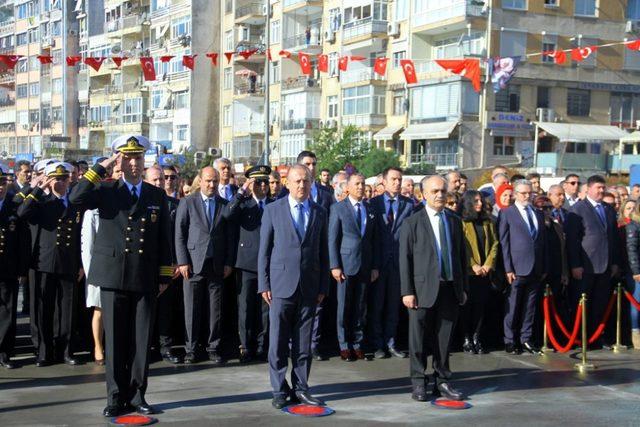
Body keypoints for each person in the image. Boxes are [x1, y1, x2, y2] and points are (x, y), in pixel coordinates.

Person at [69, 135, 174, 417]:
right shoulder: (107, 190)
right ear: (120, 161)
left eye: (138, 158)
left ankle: (138, 394)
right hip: (114, 276)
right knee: (115, 341)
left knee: (141, 341)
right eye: (127, 158)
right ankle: (115, 396)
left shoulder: (156, 195)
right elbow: (75, 197)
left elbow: (165, 238)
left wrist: (164, 275)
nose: (134, 163)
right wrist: (100, 168)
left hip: (144, 276)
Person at [258, 165, 329, 409]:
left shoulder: (320, 212)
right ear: (287, 183)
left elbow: (323, 252)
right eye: (297, 181)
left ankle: (301, 387)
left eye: (306, 181)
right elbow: (264, 251)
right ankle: (278, 389)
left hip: (309, 287)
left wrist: (323, 286)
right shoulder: (272, 210)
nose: (302, 186)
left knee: (304, 343)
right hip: (280, 286)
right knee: (277, 342)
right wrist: (263, 283)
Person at [400, 175, 468, 402]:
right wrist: (407, 291)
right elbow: (405, 259)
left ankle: (443, 381)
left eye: (443, 191)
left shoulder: (454, 221)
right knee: (418, 339)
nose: (440, 195)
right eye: (435, 191)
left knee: (444, 339)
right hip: (421, 290)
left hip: (449, 288)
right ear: (423, 194)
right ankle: (419, 382)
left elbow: (460, 257)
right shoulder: (412, 222)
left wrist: (462, 287)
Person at [18, 161, 83, 367]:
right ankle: (44, 351)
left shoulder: (75, 203)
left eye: (63, 179)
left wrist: (81, 264)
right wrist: (39, 188)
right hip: (43, 262)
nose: (60, 183)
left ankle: (65, 350)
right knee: (43, 308)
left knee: (67, 309)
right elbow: (22, 212)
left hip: (69, 263)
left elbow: (82, 236)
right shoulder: (41, 202)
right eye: (56, 179)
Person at [175, 166, 234, 365]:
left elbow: (229, 236)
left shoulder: (223, 204)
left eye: (215, 181)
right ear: (200, 181)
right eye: (208, 181)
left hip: (216, 265)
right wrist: (182, 261)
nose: (211, 185)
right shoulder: (187, 203)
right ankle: (191, 348)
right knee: (191, 308)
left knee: (215, 309)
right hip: (193, 264)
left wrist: (227, 262)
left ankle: (213, 347)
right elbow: (180, 234)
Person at [223, 165, 273, 363]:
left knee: (265, 308)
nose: (262, 186)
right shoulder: (242, 203)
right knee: (245, 308)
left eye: (265, 182)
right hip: (246, 263)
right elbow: (226, 215)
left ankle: (262, 346)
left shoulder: (274, 204)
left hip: (268, 263)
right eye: (258, 182)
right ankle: (245, 346)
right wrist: (242, 192)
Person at [565, 175, 620, 349]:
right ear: (588, 188)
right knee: (582, 304)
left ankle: (595, 338)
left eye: (603, 188)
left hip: (604, 266)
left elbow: (613, 238)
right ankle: (579, 339)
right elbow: (573, 240)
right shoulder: (578, 209)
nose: (601, 191)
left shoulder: (608, 210)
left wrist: (614, 262)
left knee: (599, 304)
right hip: (585, 266)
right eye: (598, 188)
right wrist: (575, 264)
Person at [329, 173, 379, 361]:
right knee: (343, 306)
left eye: (363, 183)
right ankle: (343, 345)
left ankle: (357, 343)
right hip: (345, 264)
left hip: (365, 265)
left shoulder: (369, 208)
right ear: (348, 187)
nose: (360, 187)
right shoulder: (338, 208)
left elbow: (374, 240)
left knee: (360, 306)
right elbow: (332, 239)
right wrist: (335, 265)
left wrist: (374, 266)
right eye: (357, 184)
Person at [368, 167, 414, 359]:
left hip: (398, 263)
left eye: (399, 179)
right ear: (384, 182)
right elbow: (369, 237)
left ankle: (391, 342)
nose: (397, 182)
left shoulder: (408, 205)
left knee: (394, 306)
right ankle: (377, 344)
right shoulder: (373, 203)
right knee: (377, 305)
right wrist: (372, 265)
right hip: (378, 264)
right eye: (393, 179)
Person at [498, 180, 547, 355]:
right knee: (513, 305)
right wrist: (508, 268)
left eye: (529, 193)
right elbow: (504, 242)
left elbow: (541, 242)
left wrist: (543, 266)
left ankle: (526, 338)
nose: (527, 196)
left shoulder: (538, 214)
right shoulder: (507, 213)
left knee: (530, 306)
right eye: (524, 193)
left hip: (535, 267)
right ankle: (510, 340)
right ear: (515, 194)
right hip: (517, 268)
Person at [144, 166, 181, 365]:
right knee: (146, 309)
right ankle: (147, 347)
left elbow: (177, 237)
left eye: (162, 179)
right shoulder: (139, 202)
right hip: (144, 264)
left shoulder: (175, 204)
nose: (159, 183)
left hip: (167, 263)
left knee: (165, 307)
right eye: (155, 180)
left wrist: (175, 263)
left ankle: (165, 347)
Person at [460, 190, 498, 354]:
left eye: (481, 201)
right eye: (476, 201)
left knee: (480, 307)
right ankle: (466, 338)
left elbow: (495, 244)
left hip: (485, 272)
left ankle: (477, 337)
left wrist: (488, 264)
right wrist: (473, 265)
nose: (480, 204)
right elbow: (462, 246)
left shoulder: (487, 222)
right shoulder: (461, 221)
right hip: (469, 273)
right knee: (467, 307)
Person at [0, 166, 29, 369]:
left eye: (2, 182)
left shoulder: (13, 204)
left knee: (8, 311)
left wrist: (21, 268)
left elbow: (21, 239)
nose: (0, 187)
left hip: (8, 266)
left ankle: (4, 352)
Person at [545, 185, 570, 322]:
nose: (562, 197)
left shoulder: (567, 214)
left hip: (563, 264)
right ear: (549, 195)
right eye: (558, 194)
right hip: (549, 266)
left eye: (563, 195)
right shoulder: (543, 214)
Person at [625, 202, 640, 349]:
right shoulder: (634, 225)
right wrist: (636, 271)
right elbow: (632, 249)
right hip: (637, 272)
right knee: (636, 303)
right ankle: (636, 334)